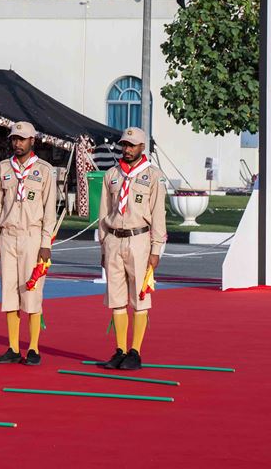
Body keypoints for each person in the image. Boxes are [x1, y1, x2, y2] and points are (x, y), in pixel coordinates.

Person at [97, 126, 167, 372]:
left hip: (139, 239)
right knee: (116, 298)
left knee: (139, 296)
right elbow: (104, 212)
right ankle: (120, 349)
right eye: (124, 145)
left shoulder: (153, 176)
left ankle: (135, 351)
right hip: (114, 238)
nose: (126, 149)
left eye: (131, 145)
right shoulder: (112, 175)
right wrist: (103, 245)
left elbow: (159, 214)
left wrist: (156, 249)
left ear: (142, 147)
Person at [0, 121, 57, 366]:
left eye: (22, 139)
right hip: (8, 235)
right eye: (14, 139)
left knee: (31, 291)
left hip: (32, 236)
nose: (17, 143)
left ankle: (34, 347)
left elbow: (50, 209)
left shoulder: (45, 170)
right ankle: (12, 346)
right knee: (9, 292)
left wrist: (46, 242)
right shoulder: (2, 169)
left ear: (32, 141)